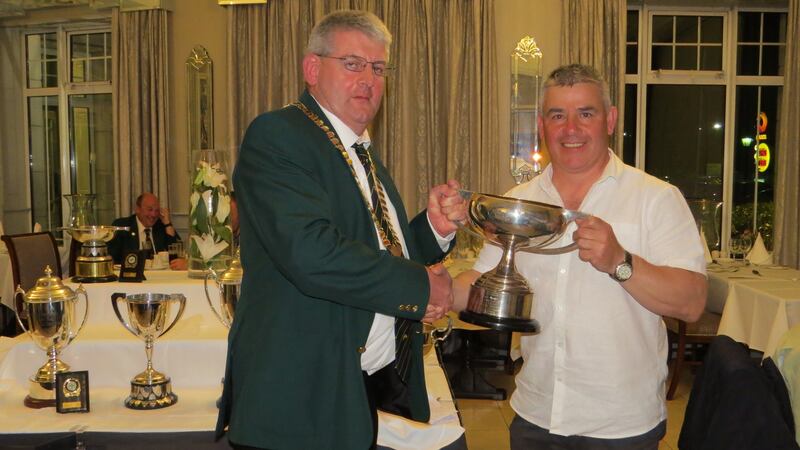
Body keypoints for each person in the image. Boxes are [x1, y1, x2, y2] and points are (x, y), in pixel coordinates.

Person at [215, 10, 466, 450]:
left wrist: (432, 229)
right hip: (300, 397)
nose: (368, 79)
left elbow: (377, 248)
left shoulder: (360, 149)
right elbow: (313, 254)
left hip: (357, 388)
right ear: (312, 69)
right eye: (352, 64)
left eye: (378, 68)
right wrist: (422, 286)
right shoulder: (279, 135)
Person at [454, 64, 708, 449]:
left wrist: (620, 262)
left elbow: (691, 302)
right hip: (536, 416)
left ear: (610, 120)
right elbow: (480, 284)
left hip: (621, 426)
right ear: (542, 125)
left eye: (585, 114)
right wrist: (429, 288)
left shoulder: (656, 198)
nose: (570, 129)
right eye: (558, 115)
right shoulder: (520, 201)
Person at [107, 192, 186, 269]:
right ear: (138, 209)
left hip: (159, 274)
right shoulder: (122, 226)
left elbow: (176, 252)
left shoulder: (161, 226)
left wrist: (167, 223)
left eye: (157, 210)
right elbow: (111, 256)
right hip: (132, 274)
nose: (153, 214)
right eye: (150, 209)